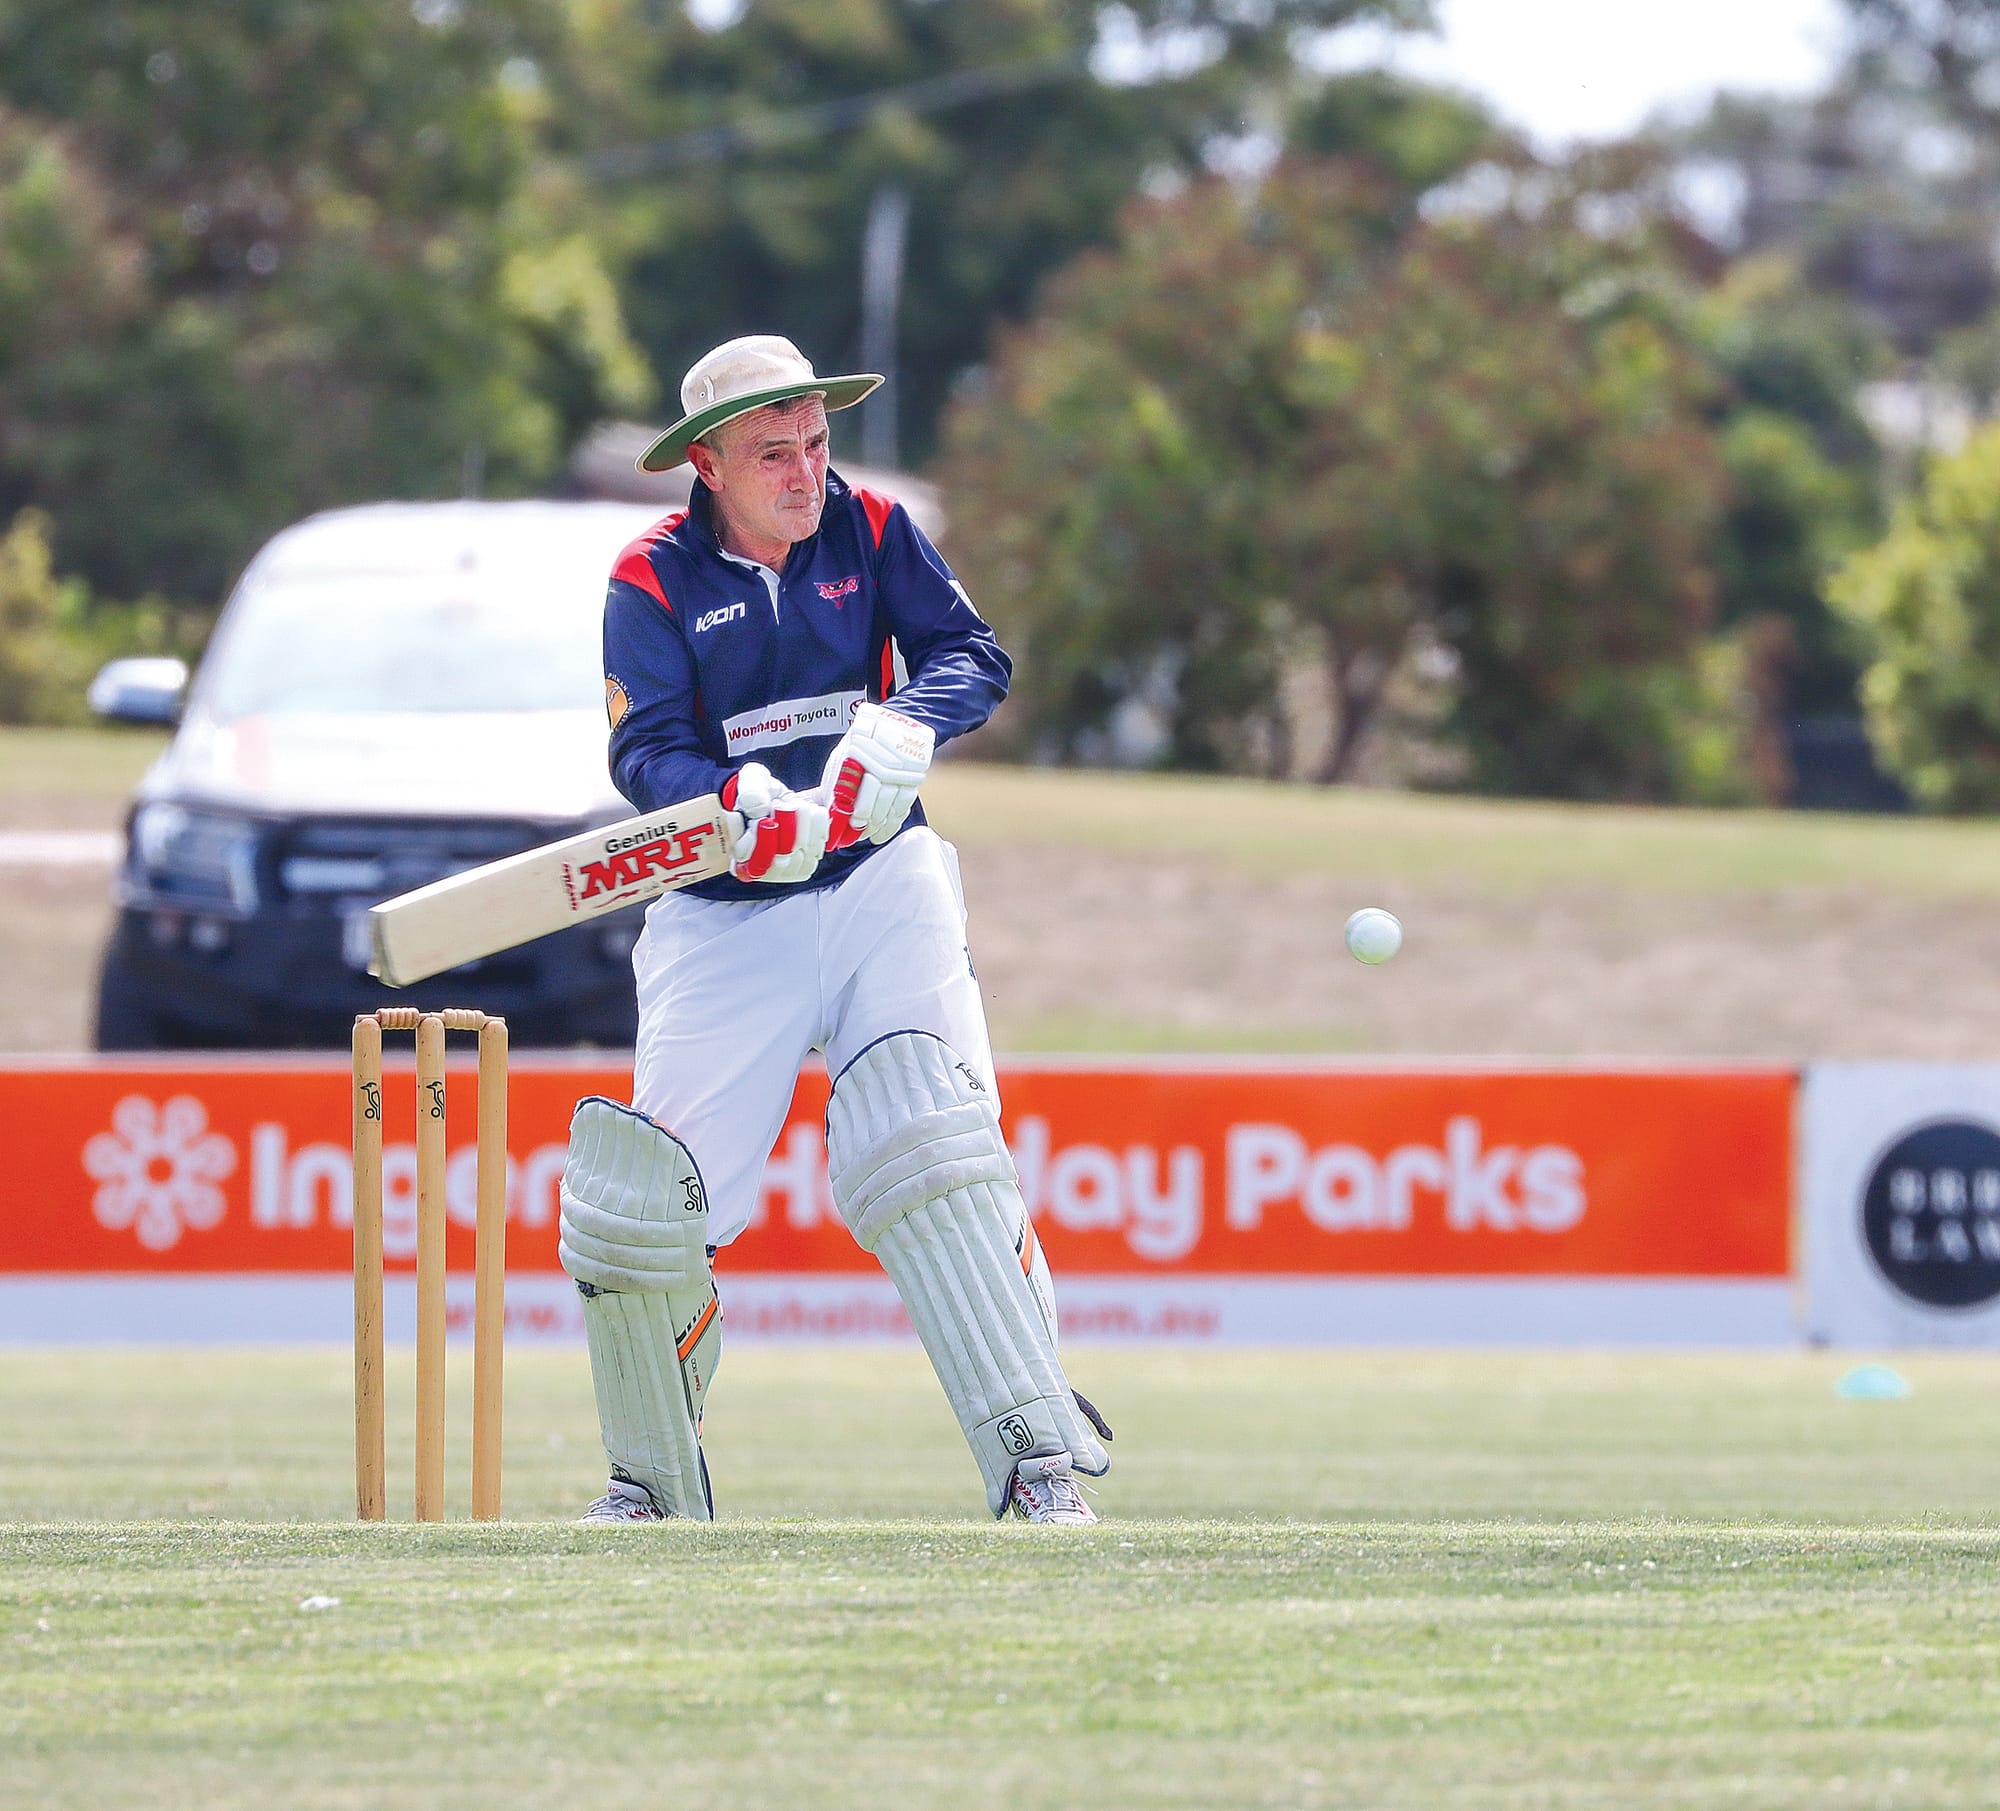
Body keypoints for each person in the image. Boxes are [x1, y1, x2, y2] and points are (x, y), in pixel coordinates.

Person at [555, 335, 1111, 1526]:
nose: (806, 472)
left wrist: (907, 725)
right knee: (647, 1206)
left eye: (814, 443)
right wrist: (726, 804)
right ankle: (649, 1481)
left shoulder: (871, 529)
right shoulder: (647, 581)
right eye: (772, 453)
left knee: (938, 1142)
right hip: (721, 912)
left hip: (880, 882)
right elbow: (644, 748)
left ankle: (1036, 1464)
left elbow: (973, 653)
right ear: (704, 463)